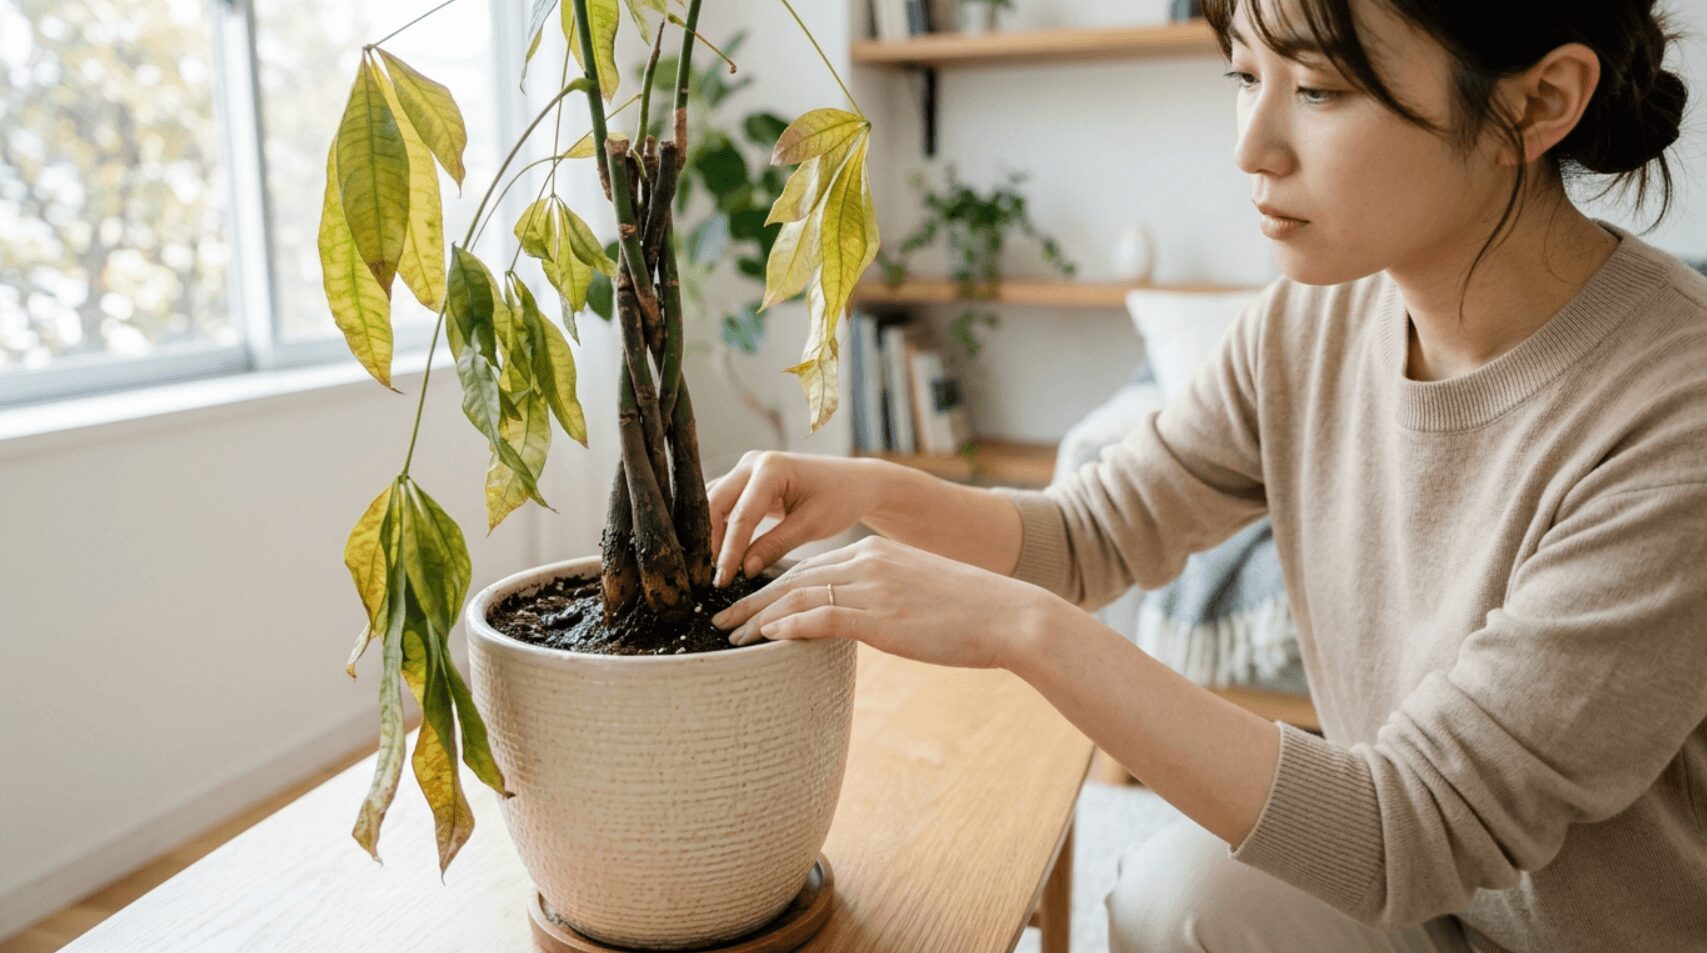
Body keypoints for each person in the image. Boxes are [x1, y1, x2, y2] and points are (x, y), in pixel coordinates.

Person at [705, 0, 1707, 949]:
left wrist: (1016, 627)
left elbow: (1411, 827)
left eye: (1317, 90)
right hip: (1437, 906)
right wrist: (871, 490)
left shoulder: (1675, 416)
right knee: (1173, 898)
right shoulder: (1306, 325)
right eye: (1243, 75)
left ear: (1537, 102)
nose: (1251, 148)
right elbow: (1094, 531)